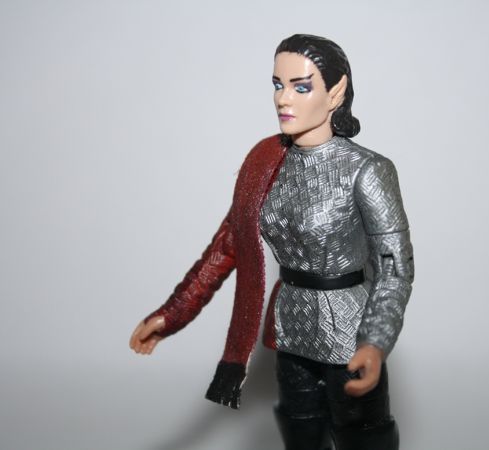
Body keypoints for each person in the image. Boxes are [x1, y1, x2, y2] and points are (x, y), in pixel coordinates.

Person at [130, 34, 414, 450]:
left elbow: (394, 268)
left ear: (336, 92)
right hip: (289, 329)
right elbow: (229, 245)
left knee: (362, 437)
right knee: (301, 434)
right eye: (278, 85)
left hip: (351, 332)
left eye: (301, 87)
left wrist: (375, 341)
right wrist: (174, 313)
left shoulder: (367, 170)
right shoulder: (266, 161)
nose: (284, 99)